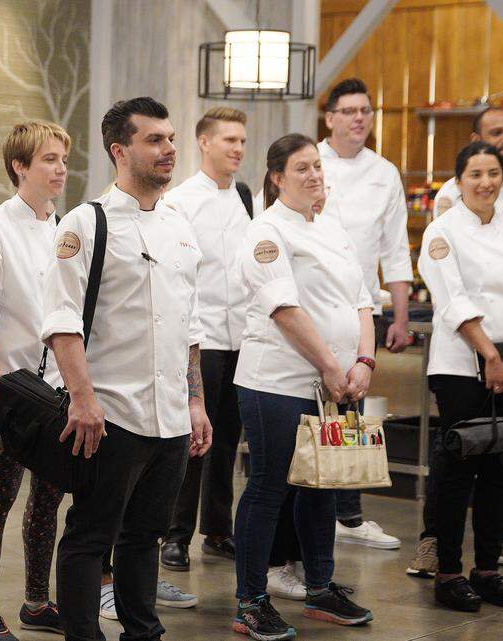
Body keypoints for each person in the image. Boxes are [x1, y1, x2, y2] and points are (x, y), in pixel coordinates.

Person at [44, 96, 212, 641]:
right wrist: (83, 399)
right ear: (120, 150)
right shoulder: (86, 223)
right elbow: (62, 322)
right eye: (154, 140)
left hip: (171, 417)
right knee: (91, 536)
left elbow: (189, 326)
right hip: (110, 413)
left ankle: (143, 632)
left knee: (145, 536)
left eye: (171, 139)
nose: (169, 149)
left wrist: (195, 401)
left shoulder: (180, 226)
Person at [408, 106, 503, 578]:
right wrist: (492, 356)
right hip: (462, 363)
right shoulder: (442, 230)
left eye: (492, 174)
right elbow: (453, 298)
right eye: (475, 175)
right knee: (459, 464)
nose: (485, 182)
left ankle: (489, 570)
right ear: (458, 182)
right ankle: (447, 569)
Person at [231, 134, 375, 641]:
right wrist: (332, 368)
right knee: (269, 488)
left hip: (336, 383)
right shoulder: (266, 232)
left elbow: (361, 302)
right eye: (301, 168)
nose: (314, 175)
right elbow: (285, 309)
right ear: (277, 178)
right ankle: (251, 601)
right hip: (277, 382)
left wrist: (364, 361)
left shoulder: (331, 227)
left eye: (317, 166)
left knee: (322, 486)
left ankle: (319, 588)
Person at [0, 120, 69, 640]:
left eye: (63, 159)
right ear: (19, 166)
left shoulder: (63, 229)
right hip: (8, 396)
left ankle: (36, 602)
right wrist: (0, 392)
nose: (61, 169)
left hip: (57, 393)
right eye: (49, 159)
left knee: (47, 501)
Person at [317, 78, 409, 551]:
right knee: (311, 410)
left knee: (351, 407)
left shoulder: (384, 172)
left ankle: (348, 516)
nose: (359, 118)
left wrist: (401, 317)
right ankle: (310, 512)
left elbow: (395, 247)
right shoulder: (310, 162)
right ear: (329, 117)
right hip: (312, 306)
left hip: (362, 310)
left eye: (366, 111)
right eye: (349, 110)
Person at [159, 106, 252, 571]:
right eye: (229, 140)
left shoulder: (246, 199)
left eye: (242, 141)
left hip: (242, 338)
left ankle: (218, 529)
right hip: (202, 337)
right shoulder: (179, 201)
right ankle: (175, 535)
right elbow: (179, 278)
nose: (238, 149)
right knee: (194, 438)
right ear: (204, 142)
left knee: (229, 438)